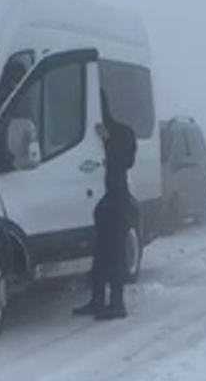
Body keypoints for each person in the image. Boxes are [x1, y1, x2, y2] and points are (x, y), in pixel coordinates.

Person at [73, 91, 137, 321]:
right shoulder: (87, 134)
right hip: (98, 199)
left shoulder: (123, 133)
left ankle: (117, 303)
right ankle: (97, 299)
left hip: (116, 197)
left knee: (115, 252)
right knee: (99, 252)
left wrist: (108, 140)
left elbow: (125, 162)